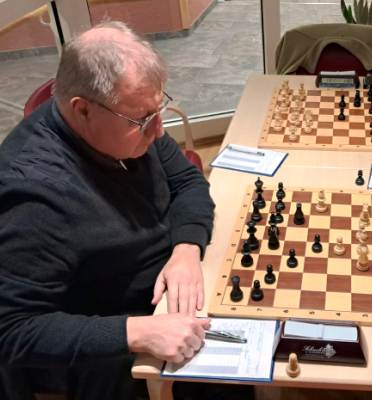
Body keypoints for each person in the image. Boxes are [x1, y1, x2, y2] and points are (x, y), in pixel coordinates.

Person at [0, 22, 217, 399]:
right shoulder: (33, 196)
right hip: (107, 341)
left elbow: (187, 182)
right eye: (143, 120)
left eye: (158, 110)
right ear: (82, 110)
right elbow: (12, 330)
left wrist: (185, 249)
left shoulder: (128, 125)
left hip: (169, 290)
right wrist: (136, 332)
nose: (158, 131)